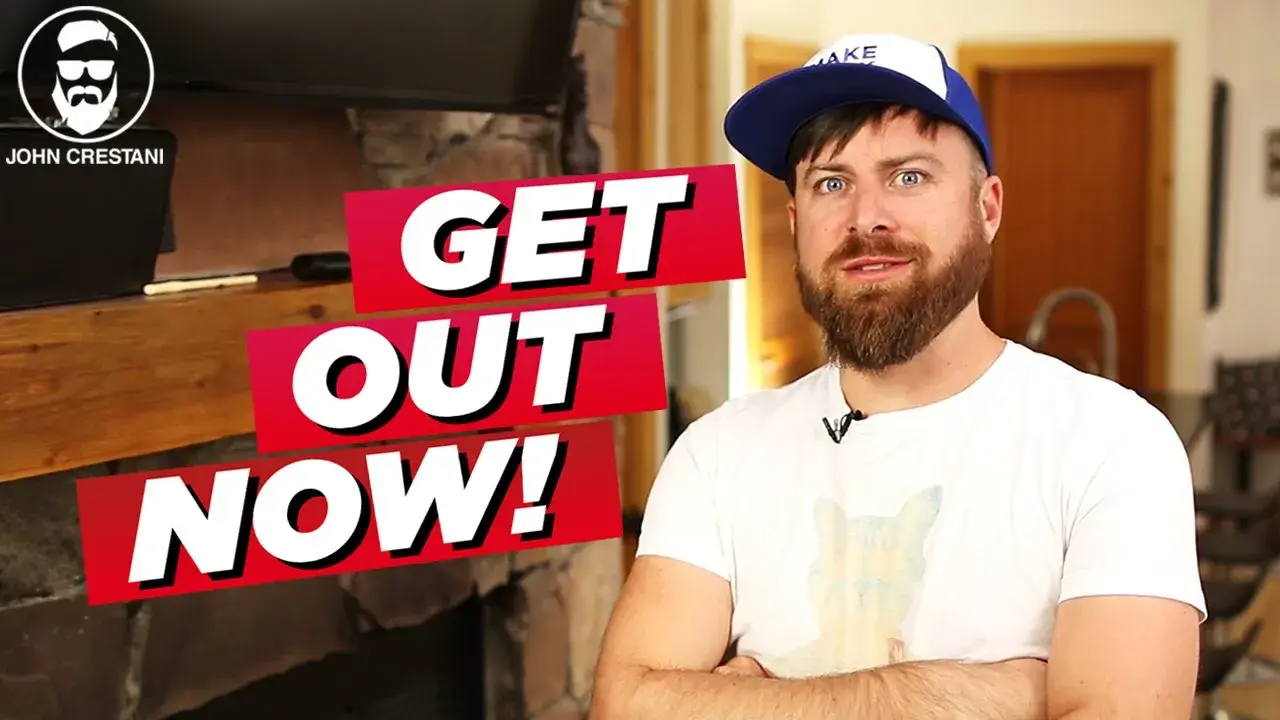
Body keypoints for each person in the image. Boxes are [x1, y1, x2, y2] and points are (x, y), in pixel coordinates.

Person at [591, 33, 1205, 719]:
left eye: (909, 177)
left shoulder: (1113, 443)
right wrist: (1005, 694)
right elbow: (625, 703)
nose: (866, 219)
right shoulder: (716, 453)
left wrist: (753, 700)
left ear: (987, 209)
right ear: (795, 222)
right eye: (831, 183)